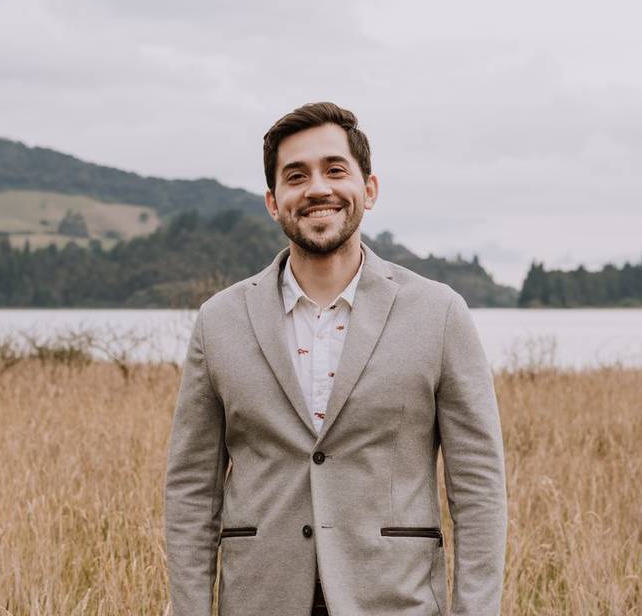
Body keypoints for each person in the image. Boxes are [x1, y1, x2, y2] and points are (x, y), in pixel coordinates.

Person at [164, 102, 507, 615]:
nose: (317, 188)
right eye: (296, 176)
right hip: (260, 599)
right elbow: (192, 491)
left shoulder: (439, 314)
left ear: (369, 189)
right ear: (273, 201)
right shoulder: (219, 321)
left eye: (335, 169)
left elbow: (478, 487)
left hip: (397, 601)